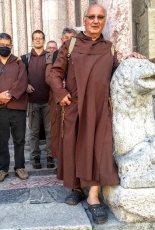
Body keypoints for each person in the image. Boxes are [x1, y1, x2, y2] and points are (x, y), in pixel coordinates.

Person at [49, 5, 146, 224]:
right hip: (74, 107)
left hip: (100, 109)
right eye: (91, 17)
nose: (95, 21)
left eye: (100, 17)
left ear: (104, 21)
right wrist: (60, 92)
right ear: (84, 20)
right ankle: (76, 187)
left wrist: (134, 59)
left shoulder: (109, 48)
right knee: (73, 147)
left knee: (97, 150)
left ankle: (93, 197)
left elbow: (118, 72)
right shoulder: (70, 44)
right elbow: (54, 72)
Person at [0, 33, 29, 182]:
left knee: (19, 139)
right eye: (1, 45)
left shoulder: (18, 63)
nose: (4, 47)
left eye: (7, 45)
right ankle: (3, 169)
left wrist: (8, 95)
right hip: (0, 108)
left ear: (11, 46)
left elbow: (22, 82)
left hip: (17, 107)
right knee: (2, 140)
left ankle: (19, 167)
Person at [21, 30, 55, 169]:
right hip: (33, 100)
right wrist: (25, 85)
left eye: (40, 38)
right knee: (34, 131)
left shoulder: (51, 57)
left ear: (44, 40)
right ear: (32, 40)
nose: (38, 41)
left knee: (49, 131)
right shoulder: (25, 58)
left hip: (48, 100)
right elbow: (20, 77)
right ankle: (35, 157)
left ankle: (50, 156)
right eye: (36, 38)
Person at [46, 27, 77, 159]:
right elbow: (49, 76)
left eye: (71, 38)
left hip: (74, 98)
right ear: (61, 39)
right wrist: (60, 88)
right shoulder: (55, 54)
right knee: (58, 129)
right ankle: (60, 160)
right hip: (58, 98)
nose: (68, 40)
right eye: (66, 38)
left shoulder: (80, 53)